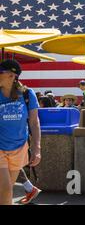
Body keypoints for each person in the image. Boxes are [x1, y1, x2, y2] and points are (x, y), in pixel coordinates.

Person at [0, 60, 41, 205]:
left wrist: (36, 148)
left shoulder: (27, 94)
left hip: (19, 147)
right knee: (5, 189)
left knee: (7, 190)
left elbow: (34, 122)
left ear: (12, 76)